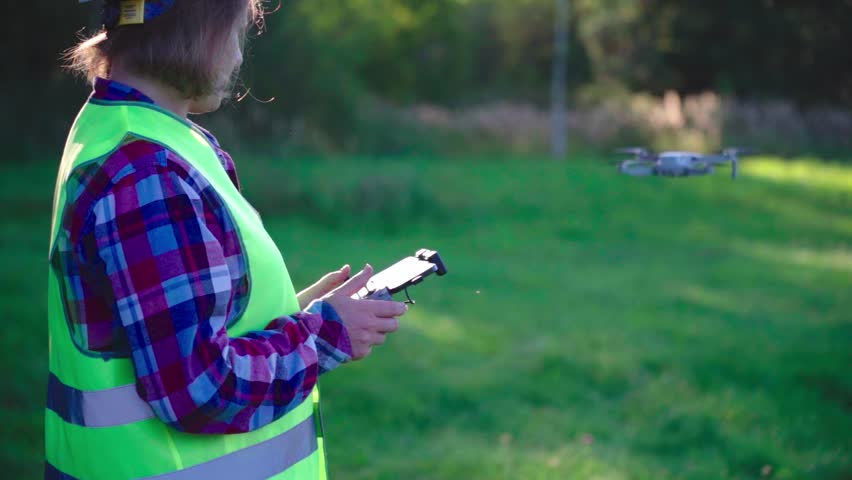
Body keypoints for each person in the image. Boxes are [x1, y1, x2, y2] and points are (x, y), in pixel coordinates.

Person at [46, 1, 408, 478]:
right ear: (197, 32)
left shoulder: (129, 132)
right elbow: (200, 390)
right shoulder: (149, 175)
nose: (238, 57)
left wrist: (299, 317)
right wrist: (325, 333)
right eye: (236, 33)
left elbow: (174, 328)